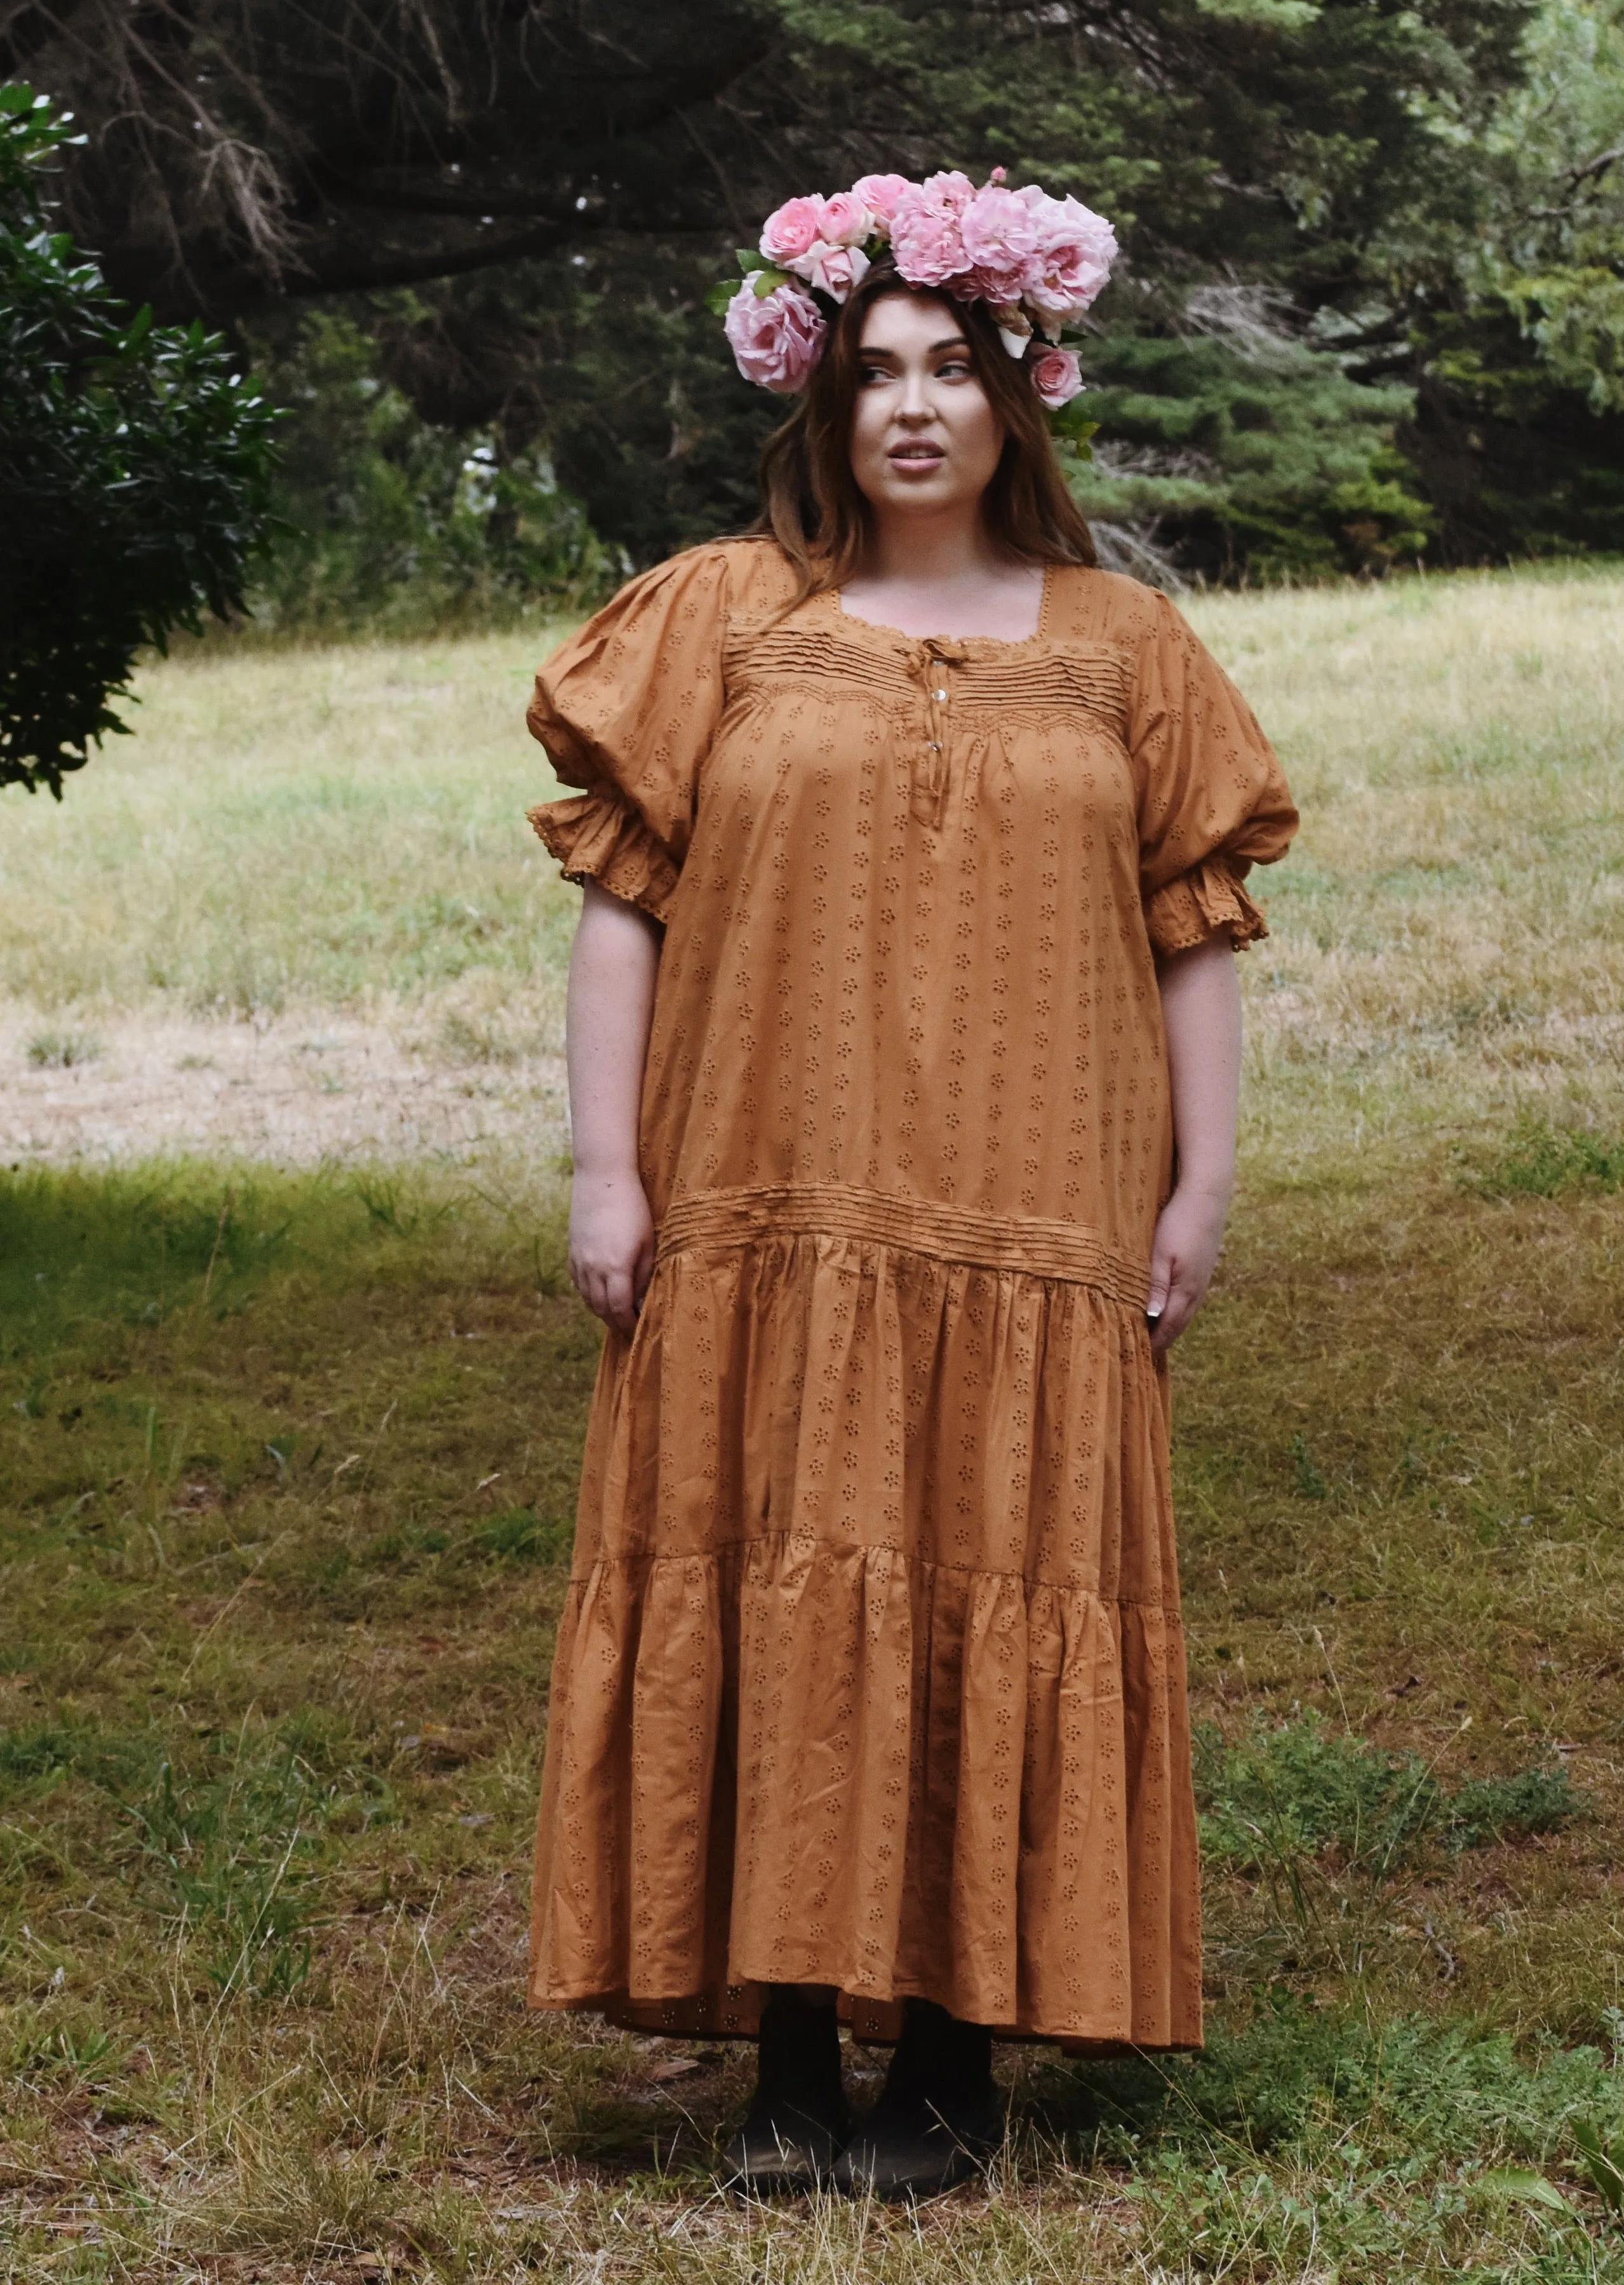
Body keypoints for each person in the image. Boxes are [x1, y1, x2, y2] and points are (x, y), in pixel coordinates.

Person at [522, 169, 1298, 2200]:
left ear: (1020, 393)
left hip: (1038, 1221)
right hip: (767, 1207)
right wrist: (609, 1169)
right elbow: (627, 909)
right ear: (823, 404)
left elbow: (1194, 927)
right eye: (875, 373)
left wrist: (1203, 1183)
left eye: (954, 367)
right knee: (780, 1563)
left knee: (993, 1573)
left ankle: (953, 2058)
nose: (914, 408)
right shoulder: (723, 621)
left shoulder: (1131, 647)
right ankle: (786, 2053)